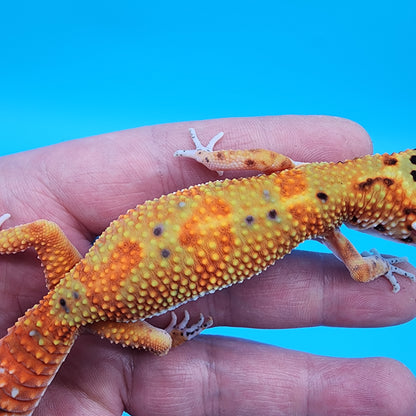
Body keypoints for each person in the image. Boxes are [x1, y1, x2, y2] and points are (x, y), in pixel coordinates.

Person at [0, 116, 415, 416]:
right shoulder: (332, 227)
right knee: (161, 343)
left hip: (81, 280)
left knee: (43, 232)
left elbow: (250, 158)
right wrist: (382, 265)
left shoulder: (287, 168)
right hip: (97, 311)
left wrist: (208, 156)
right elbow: (361, 271)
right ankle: (177, 334)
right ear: (380, 224)